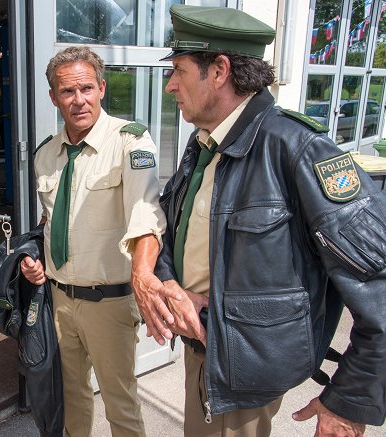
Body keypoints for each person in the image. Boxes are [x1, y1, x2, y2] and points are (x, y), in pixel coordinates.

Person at [132, 4, 386, 437]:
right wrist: (173, 287)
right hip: (209, 353)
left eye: (178, 70)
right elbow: (179, 231)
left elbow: (379, 288)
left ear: (220, 71)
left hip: (244, 375)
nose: (171, 85)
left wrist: (349, 400)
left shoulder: (299, 150)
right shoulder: (205, 144)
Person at [19, 46, 168, 436]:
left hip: (110, 303)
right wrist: (37, 258)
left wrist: (145, 280)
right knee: (71, 396)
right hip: (59, 300)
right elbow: (51, 221)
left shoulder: (131, 143)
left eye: (86, 88)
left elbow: (146, 213)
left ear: (102, 88)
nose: (78, 100)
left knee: (120, 401)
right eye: (67, 92)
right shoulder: (46, 155)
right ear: (54, 97)